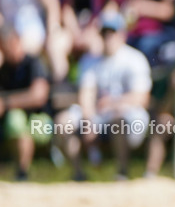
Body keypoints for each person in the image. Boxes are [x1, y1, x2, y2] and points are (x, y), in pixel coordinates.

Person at [55, 11, 152, 180]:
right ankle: (79, 175)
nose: (108, 37)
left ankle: (122, 173)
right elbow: (86, 94)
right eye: (104, 33)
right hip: (99, 116)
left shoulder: (135, 59)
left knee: (119, 119)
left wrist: (113, 103)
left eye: (111, 32)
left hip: (129, 117)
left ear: (122, 34)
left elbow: (142, 98)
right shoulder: (90, 60)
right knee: (62, 122)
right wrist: (88, 120)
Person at [0, 27, 52, 180]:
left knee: (19, 125)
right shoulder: (4, 69)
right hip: (15, 121)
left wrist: (7, 102)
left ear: (17, 41)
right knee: (15, 121)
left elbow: (38, 96)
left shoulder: (34, 62)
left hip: (42, 121)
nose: (7, 50)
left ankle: (22, 172)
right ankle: (21, 173)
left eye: (8, 45)